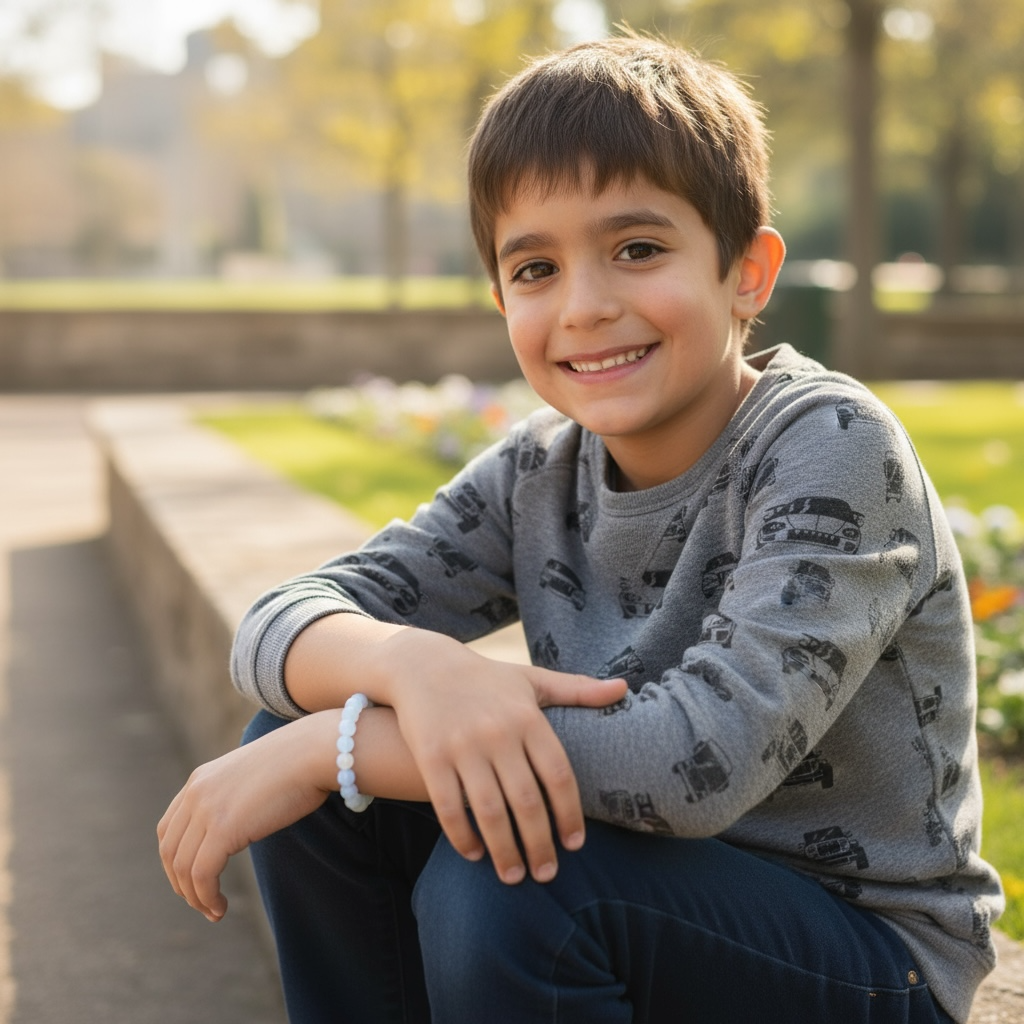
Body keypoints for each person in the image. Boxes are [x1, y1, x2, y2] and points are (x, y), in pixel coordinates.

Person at [157, 33, 1003, 1024]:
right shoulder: (539, 469)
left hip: (866, 955)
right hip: (638, 886)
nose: (586, 306)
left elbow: (693, 761)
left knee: (496, 877)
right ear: (499, 295)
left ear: (747, 270)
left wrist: (325, 752)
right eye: (535, 268)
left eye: (636, 250)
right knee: (320, 757)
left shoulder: (829, 443)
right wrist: (419, 671)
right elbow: (281, 622)